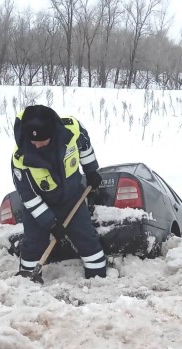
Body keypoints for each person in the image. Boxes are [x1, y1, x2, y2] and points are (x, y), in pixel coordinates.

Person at [11, 104, 106, 280]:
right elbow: (29, 197)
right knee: (33, 244)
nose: (37, 145)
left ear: (53, 133)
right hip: (39, 205)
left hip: (72, 197)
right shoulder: (20, 159)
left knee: (87, 239)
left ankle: (98, 279)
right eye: (33, 141)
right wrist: (51, 224)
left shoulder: (72, 130)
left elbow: (84, 146)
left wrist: (91, 170)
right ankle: (26, 282)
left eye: (42, 141)